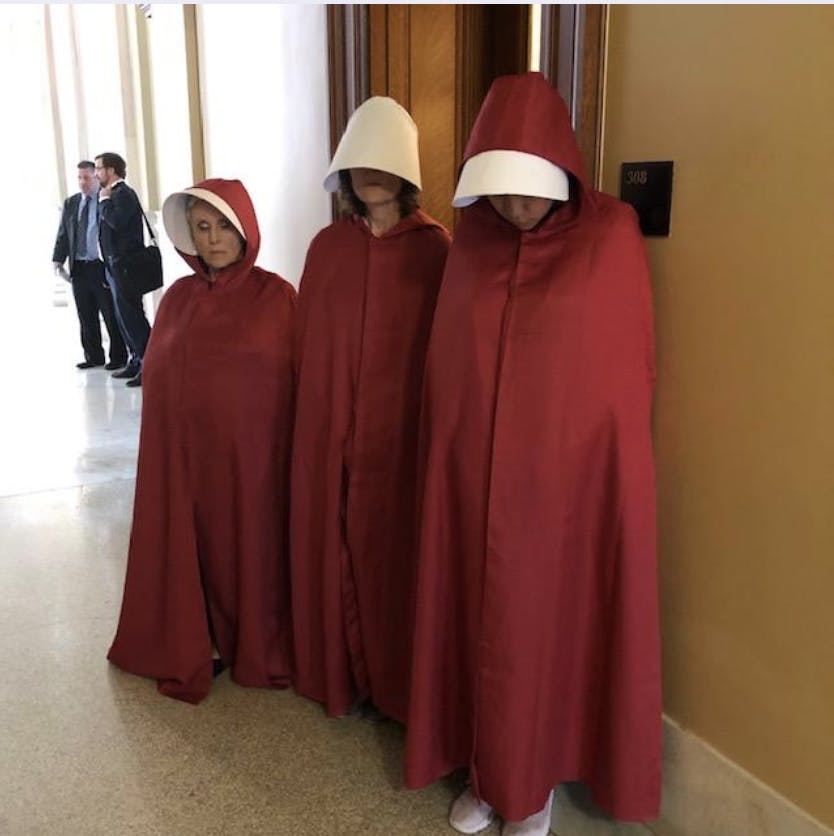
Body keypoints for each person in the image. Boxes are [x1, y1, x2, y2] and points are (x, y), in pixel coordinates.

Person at [404, 72, 661, 835]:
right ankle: (486, 772)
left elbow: (619, 372)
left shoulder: (612, 234)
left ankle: (532, 781)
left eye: (528, 189)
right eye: (501, 190)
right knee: (475, 618)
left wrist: (590, 467)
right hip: (472, 472)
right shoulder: (473, 241)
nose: (515, 206)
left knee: (545, 626)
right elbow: (452, 359)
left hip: (563, 482)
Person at [290, 97, 451, 723]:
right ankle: (341, 673)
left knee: (396, 554)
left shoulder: (436, 250)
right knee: (334, 542)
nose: (372, 175)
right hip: (333, 430)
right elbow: (311, 344)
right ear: (346, 175)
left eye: (384, 164)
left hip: (401, 437)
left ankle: (398, 682)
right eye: (361, 164)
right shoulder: (328, 248)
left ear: (406, 173)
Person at [107, 178, 296, 704]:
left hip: (252, 458)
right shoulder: (178, 298)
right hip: (186, 460)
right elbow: (161, 374)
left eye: (223, 227)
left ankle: (253, 638)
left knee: (249, 544)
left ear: (245, 230)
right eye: (202, 228)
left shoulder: (276, 296)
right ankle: (200, 634)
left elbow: (293, 377)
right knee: (194, 544)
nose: (213, 239)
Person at [51, 160, 127, 371]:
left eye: (86, 177)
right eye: (79, 178)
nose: (82, 182)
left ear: (96, 177)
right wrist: (57, 260)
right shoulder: (72, 203)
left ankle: (118, 356)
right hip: (79, 266)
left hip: (100, 266)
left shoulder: (106, 199)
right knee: (86, 314)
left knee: (110, 313)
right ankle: (93, 356)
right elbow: (63, 233)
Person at [95, 152, 152, 387]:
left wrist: (104, 202)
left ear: (111, 170)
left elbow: (117, 222)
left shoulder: (122, 194)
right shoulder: (111, 194)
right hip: (114, 266)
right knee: (123, 317)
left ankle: (149, 365)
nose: (96, 173)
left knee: (132, 316)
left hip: (126, 266)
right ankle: (136, 360)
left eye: (99, 168)